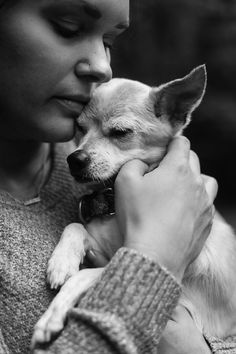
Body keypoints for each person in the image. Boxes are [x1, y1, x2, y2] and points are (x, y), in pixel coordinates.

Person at [0, 0, 233, 353]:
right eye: (68, 27)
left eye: (109, 42)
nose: (102, 67)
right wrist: (154, 257)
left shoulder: (96, 172)